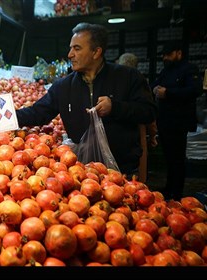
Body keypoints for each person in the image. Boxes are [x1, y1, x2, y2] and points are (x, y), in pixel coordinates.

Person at [16, 22, 157, 178]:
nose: (70, 54)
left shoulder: (128, 77)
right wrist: (4, 117)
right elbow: (38, 113)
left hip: (123, 172)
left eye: (77, 49)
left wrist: (115, 107)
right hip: (82, 173)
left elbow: (148, 112)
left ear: (96, 52)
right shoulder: (63, 86)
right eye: (71, 48)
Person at [150, 40, 203, 200]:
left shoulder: (189, 69)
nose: (165, 58)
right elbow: (156, 83)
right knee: (168, 157)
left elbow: (195, 90)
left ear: (178, 53)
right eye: (164, 55)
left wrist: (169, 93)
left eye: (169, 54)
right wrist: (154, 89)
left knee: (177, 158)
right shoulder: (166, 70)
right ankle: (169, 188)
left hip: (179, 121)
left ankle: (177, 192)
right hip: (165, 120)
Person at [117, 52, 158, 182]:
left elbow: (148, 111)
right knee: (139, 165)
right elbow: (150, 115)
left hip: (128, 131)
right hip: (137, 130)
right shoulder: (138, 80)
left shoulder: (120, 81)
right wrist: (152, 135)